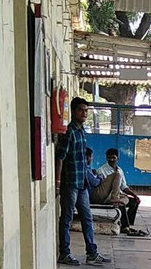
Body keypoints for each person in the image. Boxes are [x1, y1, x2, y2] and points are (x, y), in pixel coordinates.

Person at [56, 97, 111, 266]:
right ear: (73, 111)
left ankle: (92, 253)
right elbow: (60, 158)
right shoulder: (69, 132)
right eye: (81, 110)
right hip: (70, 182)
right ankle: (64, 253)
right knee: (67, 218)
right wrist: (58, 181)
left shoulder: (81, 131)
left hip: (82, 184)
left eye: (86, 110)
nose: (84, 113)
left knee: (87, 218)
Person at [86, 148, 145, 236]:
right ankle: (124, 225)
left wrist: (134, 195)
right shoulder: (101, 170)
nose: (111, 160)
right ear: (106, 158)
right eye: (109, 158)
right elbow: (98, 186)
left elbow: (124, 187)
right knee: (119, 202)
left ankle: (127, 225)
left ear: (117, 158)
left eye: (113, 158)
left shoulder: (120, 170)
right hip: (105, 195)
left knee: (133, 201)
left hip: (117, 194)